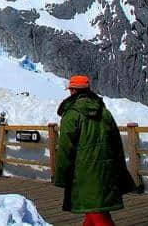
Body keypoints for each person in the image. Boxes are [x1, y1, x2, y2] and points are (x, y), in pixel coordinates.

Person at [55, 75, 135, 226]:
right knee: (95, 209)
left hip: (84, 172)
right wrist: (119, 169)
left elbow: (66, 148)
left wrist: (61, 176)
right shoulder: (104, 111)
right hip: (106, 169)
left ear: (72, 91)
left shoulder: (72, 114)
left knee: (97, 213)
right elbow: (116, 142)